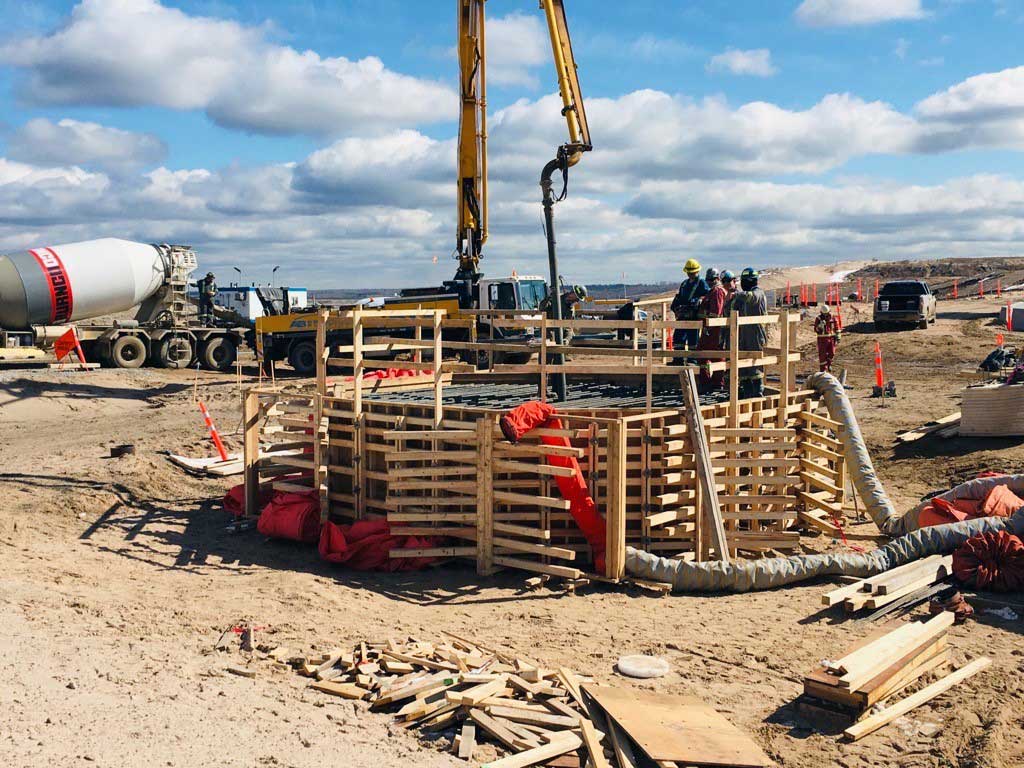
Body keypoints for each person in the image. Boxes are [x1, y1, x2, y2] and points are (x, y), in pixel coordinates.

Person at [726, 267, 768, 398]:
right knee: (743, 369)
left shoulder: (758, 293)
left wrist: (736, 295)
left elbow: (752, 298)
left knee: (754, 366)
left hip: (755, 335)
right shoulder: (741, 296)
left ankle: (757, 394)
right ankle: (746, 394)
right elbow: (730, 310)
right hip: (742, 335)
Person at [696, 267, 728, 390]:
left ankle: (717, 383)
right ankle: (707, 382)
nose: (709, 282)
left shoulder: (717, 292)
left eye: (712, 279)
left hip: (714, 330)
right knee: (703, 355)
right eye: (708, 279)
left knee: (716, 355)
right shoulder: (712, 292)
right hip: (709, 329)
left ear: (717, 278)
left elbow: (716, 312)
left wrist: (709, 327)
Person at [669, 258, 709, 356]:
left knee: (693, 340)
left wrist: (697, 301)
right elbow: (679, 298)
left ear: (697, 271)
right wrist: (676, 308)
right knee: (678, 338)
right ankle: (678, 359)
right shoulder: (684, 284)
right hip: (682, 316)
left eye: (692, 272)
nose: (690, 274)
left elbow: (707, 297)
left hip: (694, 316)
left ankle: (692, 360)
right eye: (689, 272)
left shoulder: (702, 283)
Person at [813, 304, 841, 373]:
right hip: (822, 340)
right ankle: (823, 370)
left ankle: (829, 364)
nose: (826, 315)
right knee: (822, 355)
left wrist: (838, 335)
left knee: (832, 353)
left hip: (831, 338)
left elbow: (837, 327)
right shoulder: (818, 319)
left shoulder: (833, 318)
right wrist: (820, 326)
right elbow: (816, 329)